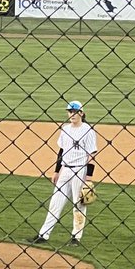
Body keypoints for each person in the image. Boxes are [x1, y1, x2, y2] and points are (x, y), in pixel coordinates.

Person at [34, 99, 98, 245]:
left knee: (79, 205)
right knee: (55, 203)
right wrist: (56, 171)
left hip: (80, 170)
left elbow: (92, 155)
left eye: (75, 111)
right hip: (65, 170)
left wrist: (88, 178)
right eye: (70, 111)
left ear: (81, 113)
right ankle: (43, 235)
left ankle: (76, 237)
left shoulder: (88, 130)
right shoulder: (65, 129)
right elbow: (61, 151)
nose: (72, 114)